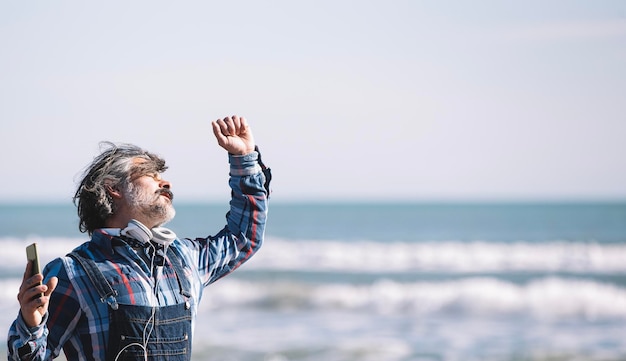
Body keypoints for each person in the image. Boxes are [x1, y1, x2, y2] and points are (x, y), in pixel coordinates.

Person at [7, 115, 271, 361]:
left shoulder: (184, 258)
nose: (165, 183)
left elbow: (243, 237)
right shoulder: (72, 273)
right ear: (113, 188)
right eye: (151, 175)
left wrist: (244, 157)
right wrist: (31, 324)